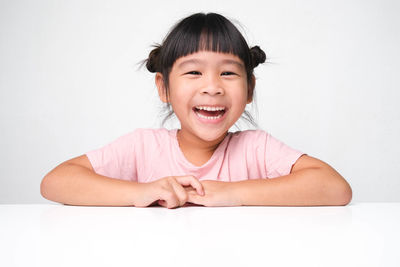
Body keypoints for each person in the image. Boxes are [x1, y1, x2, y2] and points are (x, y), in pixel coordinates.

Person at [40, 12, 352, 208]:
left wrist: (234, 194)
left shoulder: (255, 148)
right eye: (193, 73)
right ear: (163, 88)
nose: (213, 87)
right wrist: (141, 192)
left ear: (250, 90)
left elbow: (335, 189)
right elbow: (56, 181)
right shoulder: (142, 147)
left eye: (228, 73)